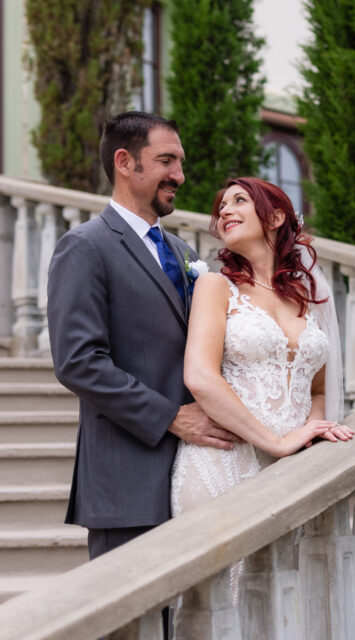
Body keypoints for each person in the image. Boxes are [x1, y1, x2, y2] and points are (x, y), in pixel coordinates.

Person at [47, 111, 239, 560]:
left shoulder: (185, 253)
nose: (180, 175)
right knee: (132, 629)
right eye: (167, 161)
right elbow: (78, 362)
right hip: (127, 484)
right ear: (125, 162)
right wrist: (172, 416)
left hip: (198, 475)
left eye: (181, 162)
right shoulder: (85, 247)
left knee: (189, 628)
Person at [169, 177, 353, 640]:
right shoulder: (216, 286)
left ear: (275, 217)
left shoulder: (308, 298)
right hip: (221, 465)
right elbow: (200, 377)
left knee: (280, 613)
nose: (224, 211)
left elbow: (319, 389)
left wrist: (311, 431)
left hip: (288, 471)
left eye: (239, 201)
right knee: (222, 613)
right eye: (221, 205)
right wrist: (274, 440)